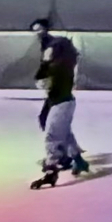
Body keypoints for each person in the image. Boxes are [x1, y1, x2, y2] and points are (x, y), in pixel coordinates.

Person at [30, 26, 88, 187]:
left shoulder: (59, 67)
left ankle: (51, 170)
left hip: (60, 103)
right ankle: (78, 160)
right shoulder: (61, 64)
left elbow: (42, 81)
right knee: (64, 133)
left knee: (53, 135)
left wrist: (45, 63)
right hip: (60, 102)